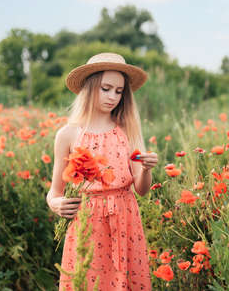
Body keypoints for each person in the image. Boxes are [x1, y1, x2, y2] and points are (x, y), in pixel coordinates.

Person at [46, 52, 158, 291]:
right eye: (106, 88)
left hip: (125, 220)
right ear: (90, 87)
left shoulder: (127, 131)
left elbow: (142, 188)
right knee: (89, 281)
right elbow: (54, 192)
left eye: (119, 91)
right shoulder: (68, 135)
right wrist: (57, 204)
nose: (113, 97)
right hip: (87, 222)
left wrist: (146, 170)